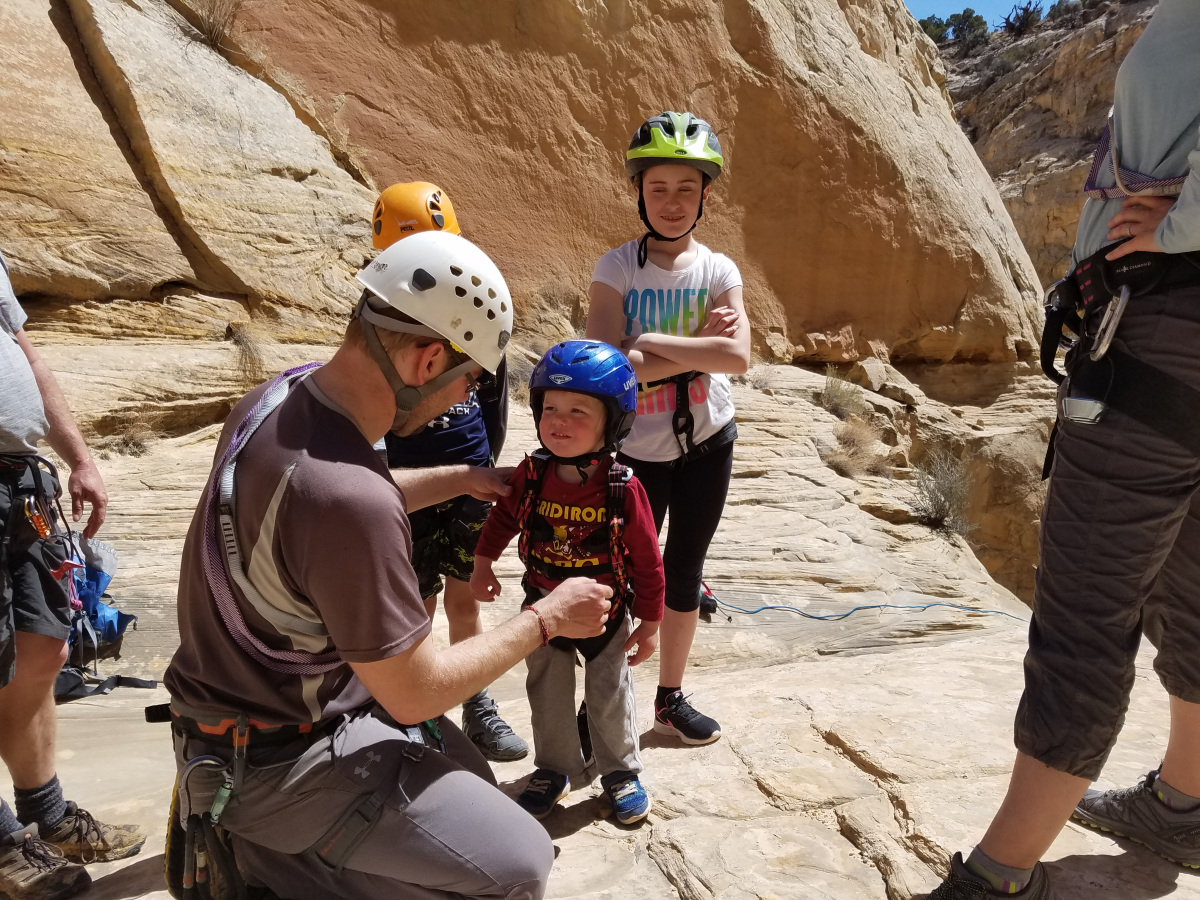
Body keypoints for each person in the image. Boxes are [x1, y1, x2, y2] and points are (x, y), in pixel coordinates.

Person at [163, 230, 613, 900]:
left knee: (472, 781)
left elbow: (320, 507)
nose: (464, 402)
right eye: (467, 384)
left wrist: (462, 477)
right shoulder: (350, 499)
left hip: (225, 732)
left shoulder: (275, 402)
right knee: (518, 862)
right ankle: (278, 863)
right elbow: (416, 690)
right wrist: (548, 618)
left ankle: (282, 854)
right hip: (286, 761)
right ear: (429, 359)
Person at [927, 3, 1200, 897]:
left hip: (1166, 330)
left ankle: (998, 872)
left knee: (1088, 607)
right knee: (1191, 583)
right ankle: (1183, 805)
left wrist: (1183, 223)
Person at [585, 111, 750, 746]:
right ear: (639, 192)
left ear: (706, 194)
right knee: (620, 575)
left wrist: (645, 343)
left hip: (708, 442)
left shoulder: (719, 270)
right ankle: (604, 702)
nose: (673, 202)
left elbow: (736, 358)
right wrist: (689, 348)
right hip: (637, 451)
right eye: (660, 188)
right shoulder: (616, 267)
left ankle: (669, 697)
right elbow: (605, 362)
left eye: (687, 189)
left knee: (685, 571)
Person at [0, 248, 146, 900]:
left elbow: (27, 356)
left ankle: (48, 814)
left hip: (17, 481)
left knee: (45, 647)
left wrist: (79, 457)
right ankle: (4, 844)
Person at [471, 340, 664, 824]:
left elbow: (647, 558)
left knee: (610, 691)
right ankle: (554, 770)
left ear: (613, 421)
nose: (559, 420)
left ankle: (620, 773)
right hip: (544, 606)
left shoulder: (623, 485)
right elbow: (502, 521)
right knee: (548, 691)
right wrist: (482, 562)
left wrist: (652, 621)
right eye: (550, 407)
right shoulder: (532, 474)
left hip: (606, 610)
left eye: (579, 410)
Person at [375, 182, 527, 763]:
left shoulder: (473, 310)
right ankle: (419, 707)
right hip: (407, 488)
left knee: (466, 599)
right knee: (414, 603)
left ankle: (476, 703)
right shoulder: (384, 323)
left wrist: (480, 469)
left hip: (470, 482)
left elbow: (494, 405)